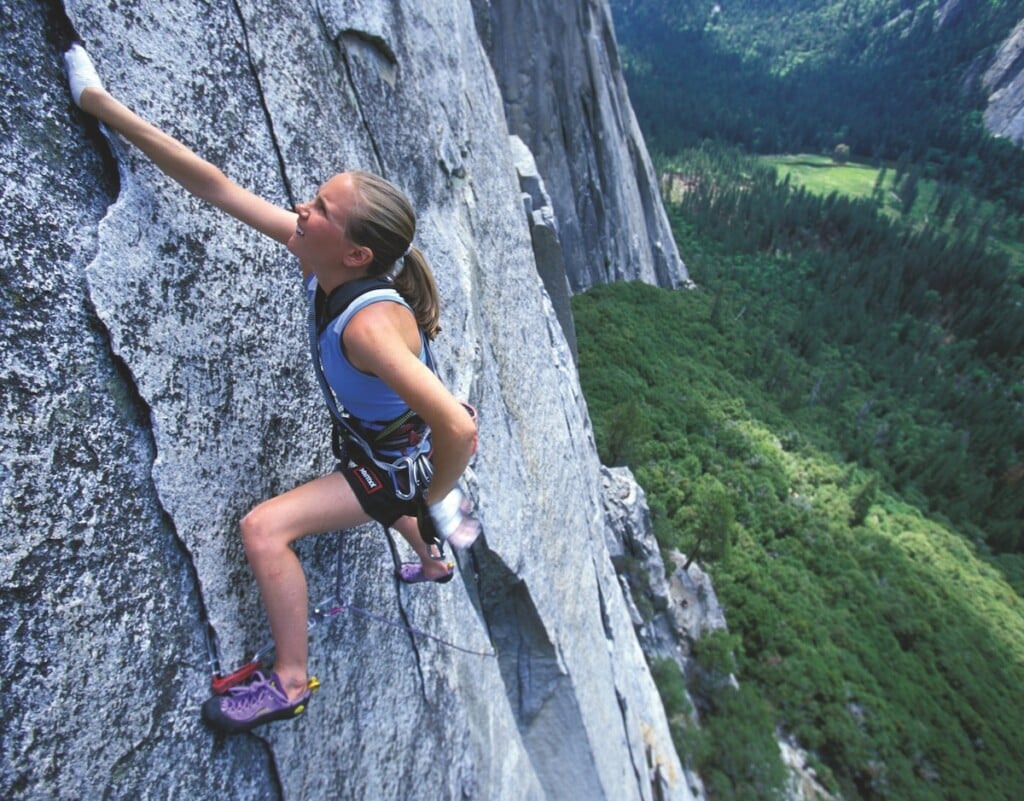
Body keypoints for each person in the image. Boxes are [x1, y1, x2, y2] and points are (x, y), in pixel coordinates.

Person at [64, 44, 481, 733]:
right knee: (394, 490)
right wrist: (98, 102)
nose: (299, 208)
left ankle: (289, 680)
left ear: (356, 254)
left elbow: (459, 430)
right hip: (388, 443)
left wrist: (427, 494)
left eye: (318, 207)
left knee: (264, 530)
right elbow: (216, 187)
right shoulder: (330, 260)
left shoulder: (370, 328)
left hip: (395, 464)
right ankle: (431, 554)